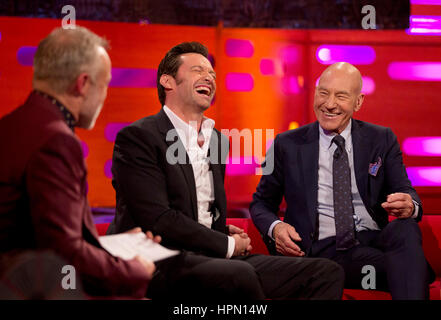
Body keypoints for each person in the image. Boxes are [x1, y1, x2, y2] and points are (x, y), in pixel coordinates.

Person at [107, 41, 345, 300]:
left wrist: (216, 231)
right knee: (237, 275)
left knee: (325, 272)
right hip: (158, 261)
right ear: (168, 81)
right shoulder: (139, 137)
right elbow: (158, 218)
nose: (209, 77)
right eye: (198, 70)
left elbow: (200, 208)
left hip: (207, 256)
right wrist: (225, 243)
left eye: (212, 74)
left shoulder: (218, 141)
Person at [250, 62, 434, 300]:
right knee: (413, 269)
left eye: (341, 96)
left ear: (358, 102)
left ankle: (410, 271)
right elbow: (261, 203)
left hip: (371, 243)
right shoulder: (287, 144)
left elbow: (404, 190)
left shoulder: (381, 139)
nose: (329, 104)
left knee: (405, 227)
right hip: (320, 249)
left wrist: (410, 205)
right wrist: (276, 227)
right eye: (323, 93)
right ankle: (413, 273)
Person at [0, 26, 156, 298]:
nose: (105, 96)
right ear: (83, 84)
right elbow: (64, 255)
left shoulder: (12, 125)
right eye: (104, 83)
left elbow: (39, 233)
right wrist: (134, 270)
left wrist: (113, 246)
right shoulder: (56, 141)